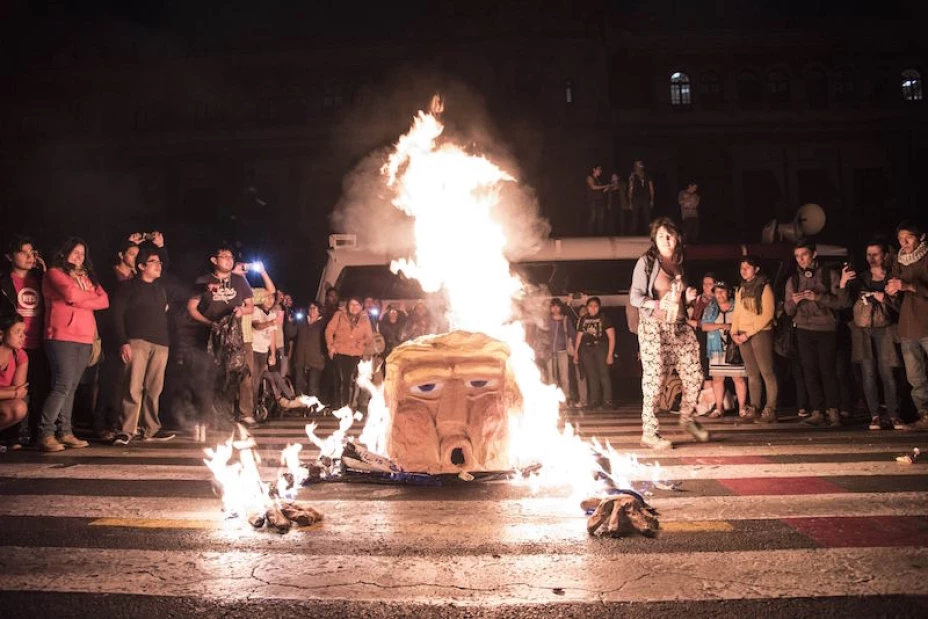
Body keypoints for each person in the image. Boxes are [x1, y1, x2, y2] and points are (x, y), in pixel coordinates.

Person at [629, 217, 707, 449]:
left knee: (695, 375)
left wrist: (689, 297)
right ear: (654, 238)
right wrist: (656, 304)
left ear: (678, 239)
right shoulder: (646, 262)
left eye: (670, 235)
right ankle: (649, 433)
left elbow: (678, 297)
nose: (666, 239)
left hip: (680, 326)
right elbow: (635, 297)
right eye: (662, 235)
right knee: (654, 380)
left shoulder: (679, 263)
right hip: (655, 328)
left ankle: (687, 418)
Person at [39, 237, 109, 452]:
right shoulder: (54, 273)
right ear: (64, 253)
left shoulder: (87, 277)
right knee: (62, 385)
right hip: (61, 336)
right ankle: (45, 433)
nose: (80, 257)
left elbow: (104, 301)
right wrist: (87, 298)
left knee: (72, 386)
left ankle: (66, 432)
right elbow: (69, 294)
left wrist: (81, 297)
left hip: (85, 337)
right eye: (75, 252)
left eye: (83, 253)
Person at [110, 246, 173, 444]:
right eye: (154, 262)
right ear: (141, 266)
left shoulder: (160, 289)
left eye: (159, 263)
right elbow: (117, 315)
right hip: (137, 341)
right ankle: (126, 429)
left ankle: (151, 428)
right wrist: (123, 342)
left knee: (154, 388)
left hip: (161, 343)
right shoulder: (128, 287)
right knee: (133, 386)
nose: (159, 266)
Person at [186, 246, 255, 425]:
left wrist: (242, 310)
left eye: (231, 257)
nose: (229, 260)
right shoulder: (204, 281)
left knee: (232, 376)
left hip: (232, 338)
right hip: (208, 336)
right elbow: (191, 308)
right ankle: (206, 416)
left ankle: (228, 415)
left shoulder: (240, 281)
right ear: (214, 260)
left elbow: (250, 306)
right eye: (224, 257)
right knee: (208, 376)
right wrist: (208, 323)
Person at [784, 240, 850, 427]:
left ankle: (834, 410)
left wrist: (818, 297)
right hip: (804, 329)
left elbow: (842, 303)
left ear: (814, 254)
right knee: (809, 371)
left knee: (828, 370)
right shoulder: (793, 280)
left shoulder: (828, 274)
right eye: (797, 256)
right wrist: (794, 302)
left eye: (804, 255)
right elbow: (788, 311)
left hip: (826, 328)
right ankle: (817, 411)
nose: (801, 259)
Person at [849, 240, 903, 430]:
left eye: (876, 254)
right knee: (868, 374)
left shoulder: (892, 278)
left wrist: (885, 298)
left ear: (884, 256)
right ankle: (874, 415)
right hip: (864, 330)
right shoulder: (861, 278)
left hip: (885, 330)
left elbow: (900, 307)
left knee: (888, 373)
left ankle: (894, 414)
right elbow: (847, 302)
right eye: (869, 255)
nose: (872, 258)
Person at [1, 235, 48, 447]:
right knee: (12, 390)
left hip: (39, 341)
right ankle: (10, 436)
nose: (30, 257)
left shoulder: (40, 278)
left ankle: (36, 434)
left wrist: (46, 274)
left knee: (38, 389)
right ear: (10, 256)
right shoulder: (3, 281)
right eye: (23, 253)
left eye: (32, 252)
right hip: (13, 344)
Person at [886, 220, 928, 430]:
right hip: (908, 326)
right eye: (900, 240)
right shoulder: (898, 261)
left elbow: (917, 288)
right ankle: (925, 415)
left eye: (908, 238)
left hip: (926, 323)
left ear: (921, 237)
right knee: (915, 376)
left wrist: (909, 286)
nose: (904, 243)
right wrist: (891, 292)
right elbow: (896, 289)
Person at [731, 257, 778, 423]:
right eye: (741, 267)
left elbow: (767, 314)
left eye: (748, 267)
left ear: (756, 269)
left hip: (759, 332)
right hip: (743, 334)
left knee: (766, 371)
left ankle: (770, 409)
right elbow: (737, 312)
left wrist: (748, 333)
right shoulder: (741, 289)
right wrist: (733, 332)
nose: (744, 270)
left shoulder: (764, 286)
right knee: (751, 373)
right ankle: (755, 407)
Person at [701, 281, 749, 419]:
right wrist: (723, 325)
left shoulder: (738, 306)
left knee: (738, 378)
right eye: (716, 292)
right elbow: (704, 326)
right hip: (716, 347)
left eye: (722, 291)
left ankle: (742, 408)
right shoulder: (711, 307)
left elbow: (745, 323)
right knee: (717, 378)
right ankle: (719, 408)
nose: (719, 295)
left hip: (734, 346)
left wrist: (733, 328)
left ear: (729, 292)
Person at [325, 297, 372, 409]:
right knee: (343, 380)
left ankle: (346, 405)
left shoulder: (364, 318)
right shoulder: (339, 315)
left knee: (350, 380)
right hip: (340, 351)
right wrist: (330, 346)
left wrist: (362, 343)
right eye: (352, 304)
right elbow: (329, 330)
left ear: (361, 307)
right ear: (347, 305)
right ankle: (343, 406)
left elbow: (369, 337)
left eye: (357, 305)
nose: (354, 307)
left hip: (355, 353)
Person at [573, 297, 615, 410]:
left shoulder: (603, 318)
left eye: (595, 306)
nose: (593, 308)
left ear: (599, 307)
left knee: (604, 374)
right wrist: (576, 352)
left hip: (600, 347)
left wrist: (610, 354)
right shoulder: (583, 319)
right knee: (591, 375)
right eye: (590, 306)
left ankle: (608, 401)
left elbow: (611, 336)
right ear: (587, 307)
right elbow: (579, 336)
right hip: (586, 349)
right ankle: (594, 401)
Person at [0, 313, 29, 439]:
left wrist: (14, 393)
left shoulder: (20, 356)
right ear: (1, 335)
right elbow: (15, 392)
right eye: (17, 332)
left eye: (24, 332)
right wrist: (13, 393)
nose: (23, 336)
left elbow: (20, 390)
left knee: (19, 408)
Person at [291, 302, 327, 401]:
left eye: (314, 308)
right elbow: (291, 333)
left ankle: (312, 407)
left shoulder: (323, 324)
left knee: (313, 385)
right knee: (299, 384)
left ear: (319, 310)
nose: (311, 310)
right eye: (310, 308)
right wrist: (291, 323)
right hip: (300, 359)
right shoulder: (302, 322)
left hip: (316, 359)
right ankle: (300, 406)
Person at [548, 299, 577, 406]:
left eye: (557, 306)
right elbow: (542, 335)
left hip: (563, 351)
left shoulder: (565, 319)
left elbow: (572, 334)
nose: (555, 308)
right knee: (552, 376)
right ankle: (552, 398)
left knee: (564, 376)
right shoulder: (547, 320)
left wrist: (574, 348)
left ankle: (566, 397)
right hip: (550, 352)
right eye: (553, 306)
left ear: (560, 307)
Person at [627, 161, 655, 235]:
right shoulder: (633, 176)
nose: (639, 166)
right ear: (635, 166)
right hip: (635, 198)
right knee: (634, 216)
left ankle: (649, 232)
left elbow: (651, 188)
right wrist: (630, 202)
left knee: (647, 215)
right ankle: (633, 232)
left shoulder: (647, 175)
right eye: (638, 165)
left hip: (645, 198)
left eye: (640, 165)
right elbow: (630, 188)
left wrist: (652, 200)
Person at [586, 165, 610, 235]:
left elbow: (600, 191)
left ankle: (600, 234)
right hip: (593, 200)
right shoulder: (589, 177)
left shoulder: (598, 180)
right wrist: (604, 186)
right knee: (593, 216)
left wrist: (606, 188)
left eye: (600, 170)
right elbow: (593, 187)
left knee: (601, 218)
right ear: (594, 169)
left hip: (600, 200)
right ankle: (589, 234)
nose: (600, 171)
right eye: (599, 169)